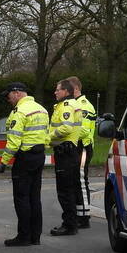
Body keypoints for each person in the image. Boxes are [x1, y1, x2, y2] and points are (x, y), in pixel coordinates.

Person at [0, 82, 49, 246]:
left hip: (25, 157)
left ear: (18, 93)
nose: (8, 99)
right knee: (35, 197)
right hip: (39, 155)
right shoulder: (42, 109)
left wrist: (4, 162)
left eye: (9, 95)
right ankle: (36, 236)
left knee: (22, 197)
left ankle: (24, 236)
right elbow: (46, 136)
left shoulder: (19, 112)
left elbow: (13, 141)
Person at [48, 79, 83, 235]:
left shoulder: (66, 106)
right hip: (69, 151)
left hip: (65, 152)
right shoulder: (70, 105)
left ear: (66, 92)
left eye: (58, 89)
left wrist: (48, 137)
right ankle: (71, 223)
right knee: (69, 189)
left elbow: (66, 128)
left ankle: (69, 225)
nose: (55, 92)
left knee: (64, 190)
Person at [67, 75, 96, 229]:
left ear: (76, 89)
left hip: (83, 146)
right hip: (78, 146)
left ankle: (84, 217)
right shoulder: (76, 104)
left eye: (69, 89)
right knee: (76, 181)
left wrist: (66, 133)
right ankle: (80, 214)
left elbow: (84, 130)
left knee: (81, 181)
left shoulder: (83, 105)